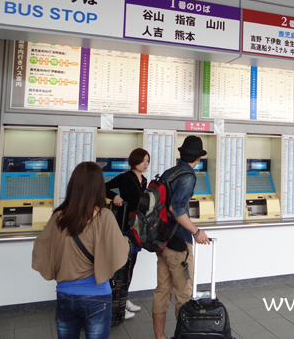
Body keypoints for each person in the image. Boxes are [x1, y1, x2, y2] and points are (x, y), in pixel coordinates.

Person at [32, 162, 129, 339]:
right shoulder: (104, 216)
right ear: (99, 187)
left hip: (65, 294)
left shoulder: (59, 216)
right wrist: (126, 240)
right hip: (97, 296)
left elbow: (41, 246)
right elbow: (119, 252)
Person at [153, 135, 210, 339]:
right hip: (177, 244)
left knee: (162, 290)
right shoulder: (188, 175)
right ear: (198, 158)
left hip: (162, 241)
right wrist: (196, 232)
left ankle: (160, 337)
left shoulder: (170, 172)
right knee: (184, 293)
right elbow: (176, 209)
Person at [104, 148, 150, 318]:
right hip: (123, 227)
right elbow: (103, 188)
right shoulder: (125, 177)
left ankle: (124, 299)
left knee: (131, 265)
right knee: (121, 266)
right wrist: (114, 197)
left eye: (147, 161)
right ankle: (116, 304)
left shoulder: (144, 181)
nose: (145, 164)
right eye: (142, 160)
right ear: (134, 161)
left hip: (136, 229)